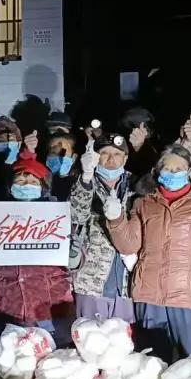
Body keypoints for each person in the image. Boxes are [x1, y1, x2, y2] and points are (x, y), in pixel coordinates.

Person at [107, 143, 191, 360]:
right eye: (167, 169)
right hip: (150, 296)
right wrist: (115, 220)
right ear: (156, 171)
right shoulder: (143, 203)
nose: (173, 174)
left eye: (179, 169)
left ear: (190, 171)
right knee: (150, 365)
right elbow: (128, 246)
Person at [0, 150, 73, 343]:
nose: (26, 186)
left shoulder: (58, 215)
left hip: (49, 305)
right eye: (21, 181)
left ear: (43, 187)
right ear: (11, 186)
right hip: (7, 305)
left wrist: (74, 253)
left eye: (32, 182)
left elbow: (74, 262)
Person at [70, 132, 136, 322]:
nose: (110, 159)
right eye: (105, 153)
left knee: (123, 335)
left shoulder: (136, 185)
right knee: (89, 334)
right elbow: (76, 215)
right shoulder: (83, 181)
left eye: (116, 154)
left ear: (125, 158)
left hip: (125, 278)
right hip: (91, 278)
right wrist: (86, 177)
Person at [120, 106, 159, 176]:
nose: (147, 132)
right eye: (145, 127)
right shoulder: (122, 147)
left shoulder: (155, 144)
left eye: (148, 128)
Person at [46, 130, 78, 201]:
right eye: (53, 152)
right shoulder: (39, 179)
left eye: (62, 152)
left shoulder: (82, 182)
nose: (56, 156)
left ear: (74, 157)